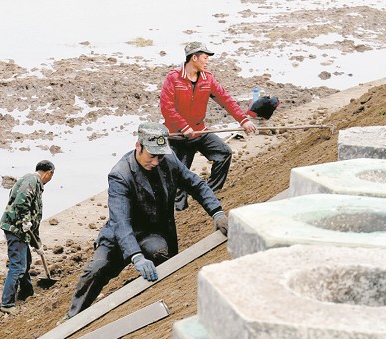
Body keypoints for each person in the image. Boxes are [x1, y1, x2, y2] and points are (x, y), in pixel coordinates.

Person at [63, 123, 229, 321]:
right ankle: (72, 318)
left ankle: (145, 294)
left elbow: (196, 185)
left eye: (160, 156)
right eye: (152, 156)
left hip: (152, 233)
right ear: (138, 146)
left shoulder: (169, 160)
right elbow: (121, 222)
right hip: (119, 235)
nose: (156, 161)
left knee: (160, 254)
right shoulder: (120, 175)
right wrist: (136, 256)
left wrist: (217, 212)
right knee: (95, 270)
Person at [160, 41, 257, 211]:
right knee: (178, 179)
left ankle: (209, 193)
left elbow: (226, 100)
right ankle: (179, 211)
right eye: (205, 57)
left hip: (200, 132)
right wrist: (183, 127)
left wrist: (243, 120)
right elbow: (166, 107)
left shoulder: (208, 79)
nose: (207, 61)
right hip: (178, 136)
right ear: (194, 58)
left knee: (224, 153)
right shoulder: (173, 78)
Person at [0, 160, 55, 314]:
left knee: (26, 261)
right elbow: (21, 202)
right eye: (51, 176)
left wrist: (38, 245)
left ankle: (26, 292)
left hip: (22, 230)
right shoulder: (31, 180)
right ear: (49, 173)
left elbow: (33, 217)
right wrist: (25, 220)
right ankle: (7, 304)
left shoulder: (35, 183)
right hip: (15, 229)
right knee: (17, 266)